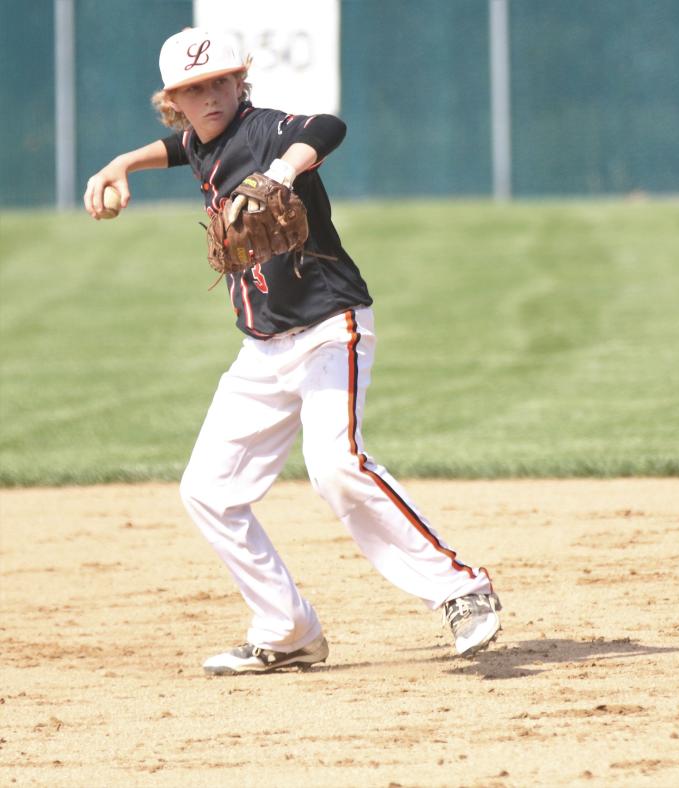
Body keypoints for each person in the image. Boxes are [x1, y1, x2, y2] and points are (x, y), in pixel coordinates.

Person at [83, 28, 501, 675]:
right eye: (195, 89)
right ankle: (287, 628)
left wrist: (284, 169)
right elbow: (180, 148)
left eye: (222, 80)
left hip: (331, 325)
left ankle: (462, 588)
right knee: (207, 490)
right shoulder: (201, 140)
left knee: (334, 464)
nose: (211, 95)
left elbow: (327, 126)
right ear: (175, 101)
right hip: (264, 350)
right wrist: (122, 164)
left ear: (240, 80)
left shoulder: (266, 131)